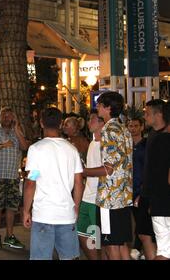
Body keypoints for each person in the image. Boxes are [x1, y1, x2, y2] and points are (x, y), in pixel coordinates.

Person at [23, 107, 84, 260]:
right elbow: (78, 182)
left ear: (41, 123)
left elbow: (31, 182)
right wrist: (76, 206)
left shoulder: (36, 149)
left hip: (43, 213)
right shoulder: (71, 150)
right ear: (61, 123)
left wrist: (26, 210)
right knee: (69, 257)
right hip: (66, 213)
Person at [83, 91, 133, 260]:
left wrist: (83, 171)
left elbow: (108, 169)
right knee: (121, 243)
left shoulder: (109, 129)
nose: (97, 108)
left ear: (107, 108)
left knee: (111, 244)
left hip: (109, 197)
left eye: (100, 105)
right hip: (124, 195)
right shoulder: (123, 128)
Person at [0, 107, 29, 250]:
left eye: (10, 116)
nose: (7, 118)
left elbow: (24, 146)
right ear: (0, 117)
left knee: (11, 208)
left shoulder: (17, 132)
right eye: (4, 116)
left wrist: (17, 128)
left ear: (13, 118)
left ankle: (10, 236)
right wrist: (1, 145)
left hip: (13, 177)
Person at [76, 110, 104, 260]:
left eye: (92, 119)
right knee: (82, 233)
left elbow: (107, 170)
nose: (88, 122)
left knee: (98, 239)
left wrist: (84, 171)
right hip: (87, 196)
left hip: (98, 198)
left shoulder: (106, 144)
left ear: (101, 122)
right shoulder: (93, 143)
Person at [144, 100, 170, 260]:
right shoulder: (158, 138)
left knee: (164, 250)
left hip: (162, 203)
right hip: (161, 202)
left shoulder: (161, 140)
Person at [128, 117, 155, 260]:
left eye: (135, 126)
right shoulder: (127, 145)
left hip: (143, 190)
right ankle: (140, 249)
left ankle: (137, 248)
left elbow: (150, 169)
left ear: (142, 127)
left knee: (142, 221)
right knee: (137, 221)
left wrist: (143, 189)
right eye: (130, 126)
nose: (133, 128)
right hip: (130, 189)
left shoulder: (147, 144)